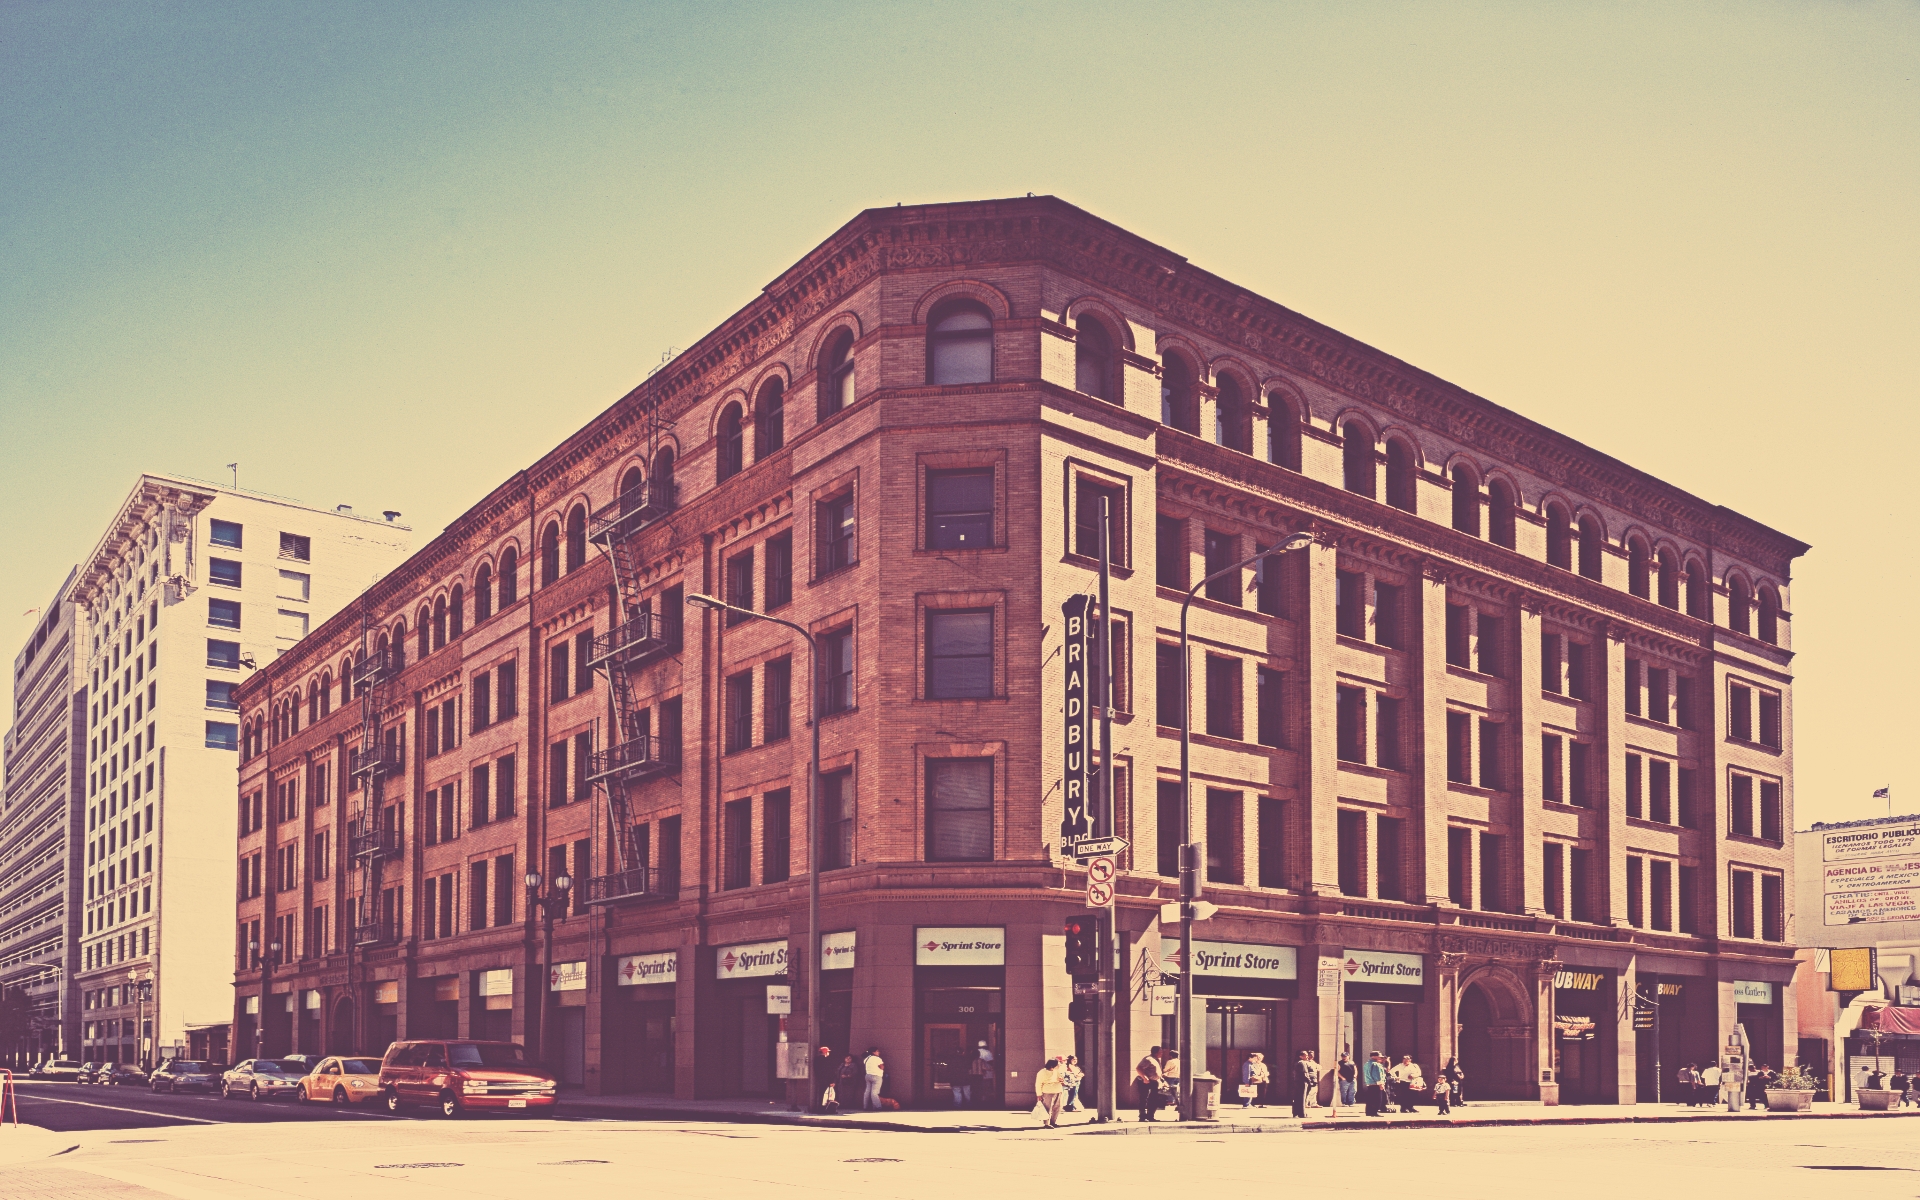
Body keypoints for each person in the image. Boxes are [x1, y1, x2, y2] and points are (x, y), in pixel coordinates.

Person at [1135, 1046, 1165, 1122]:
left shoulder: (1157, 1060)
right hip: (1145, 1081)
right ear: (1156, 1052)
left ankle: (1150, 1116)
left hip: (1154, 1082)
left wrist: (1162, 1081)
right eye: (1160, 1052)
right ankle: (1142, 1116)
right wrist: (1145, 1078)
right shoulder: (1148, 1059)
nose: (1162, 1053)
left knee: (1154, 1099)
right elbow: (1139, 1068)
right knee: (1144, 1099)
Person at [1035, 1056, 1066, 1128]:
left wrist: (1062, 1080)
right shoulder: (1042, 1072)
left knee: (1057, 1107)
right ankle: (1047, 1123)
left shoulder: (1057, 1071)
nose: (1059, 1065)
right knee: (1048, 1108)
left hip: (1058, 1090)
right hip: (1048, 1092)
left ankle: (1053, 1122)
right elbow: (1038, 1083)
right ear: (1052, 1065)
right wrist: (1039, 1094)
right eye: (1058, 1064)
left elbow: (1061, 1079)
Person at [1291, 1051, 1317, 1118]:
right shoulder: (1302, 1063)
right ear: (1301, 1056)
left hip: (1299, 1082)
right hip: (1303, 1082)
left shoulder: (1298, 1063)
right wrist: (1310, 1082)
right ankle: (1302, 1114)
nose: (1307, 1056)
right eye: (1305, 1055)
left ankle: (1296, 1113)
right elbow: (1305, 1074)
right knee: (1302, 1098)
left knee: (1298, 1098)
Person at [1362, 1052, 1387, 1116]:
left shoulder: (1367, 1064)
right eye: (1379, 1056)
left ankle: (1369, 1112)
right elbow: (1377, 1075)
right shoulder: (1376, 1064)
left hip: (1369, 1083)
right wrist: (1380, 1084)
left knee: (1370, 1099)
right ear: (1374, 1056)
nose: (1380, 1057)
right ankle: (1374, 1112)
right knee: (1377, 1099)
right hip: (1376, 1084)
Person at [813, 1045, 837, 1112]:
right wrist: (832, 1081)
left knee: (821, 1094)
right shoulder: (827, 1060)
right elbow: (830, 1071)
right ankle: (826, 1108)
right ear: (825, 1052)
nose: (828, 1053)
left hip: (820, 1079)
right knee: (828, 1095)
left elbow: (817, 1070)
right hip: (827, 1080)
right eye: (828, 1052)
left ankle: (820, 1108)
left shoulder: (816, 1060)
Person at [861, 1047, 886, 1111]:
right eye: (877, 1051)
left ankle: (865, 1106)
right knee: (874, 1092)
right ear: (873, 1052)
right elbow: (882, 1067)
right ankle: (878, 1107)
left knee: (867, 1091)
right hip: (876, 1076)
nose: (879, 1052)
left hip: (868, 1075)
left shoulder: (866, 1059)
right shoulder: (877, 1059)